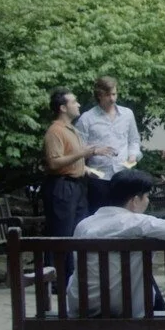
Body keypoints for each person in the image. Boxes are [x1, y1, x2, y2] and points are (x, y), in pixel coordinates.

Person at [67, 168, 165, 330]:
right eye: (146, 197)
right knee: (133, 277)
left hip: (83, 304)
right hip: (125, 308)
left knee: (120, 273)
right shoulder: (137, 222)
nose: (148, 201)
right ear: (135, 200)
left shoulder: (84, 224)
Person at [42, 87, 113, 278]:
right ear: (63, 108)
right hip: (62, 186)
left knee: (78, 230)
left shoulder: (72, 129)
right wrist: (83, 153)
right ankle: (55, 279)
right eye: (73, 101)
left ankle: (72, 276)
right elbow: (54, 162)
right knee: (61, 233)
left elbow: (72, 158)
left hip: (77, 185)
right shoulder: (55, 131)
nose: (78, 104)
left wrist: (87, 167)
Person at [76, 75, 141, 210]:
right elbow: (77, 151)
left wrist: (133, 156)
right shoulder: (87, 118)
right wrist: (94, 152)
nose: (112, 99)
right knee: (99, 219)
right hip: (99, 178)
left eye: (114, 94)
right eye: (107, 95)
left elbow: (134, 140)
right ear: (99, 95)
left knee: (125, 218)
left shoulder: (127, 114)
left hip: (123, 175)